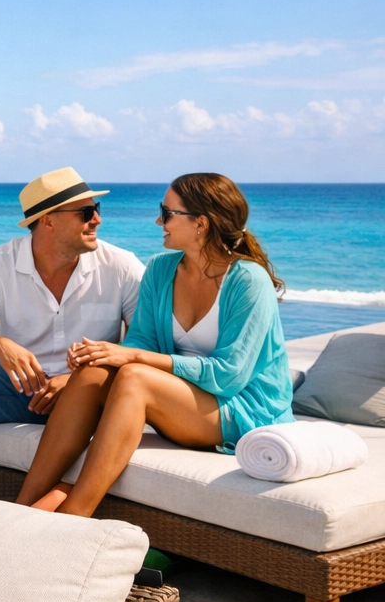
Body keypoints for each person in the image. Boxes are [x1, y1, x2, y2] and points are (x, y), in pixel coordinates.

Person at [16, 173, 294, 516]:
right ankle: (22, 508)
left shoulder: (249, 282)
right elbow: (142, 341)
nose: (158, 221)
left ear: (201, 224)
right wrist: (101, 354)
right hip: (182, 399)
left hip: (241, 410)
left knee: (135, 376)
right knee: (93, 372)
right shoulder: (161, 269)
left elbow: (229, 376)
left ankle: (75, 516)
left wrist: (130, 355)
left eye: (167, 212)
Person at [0, 167, 144, 491]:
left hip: (92, 395)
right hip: (20, 389)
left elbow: (143, 346)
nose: (97, 220)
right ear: (48, 220)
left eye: (97, 210)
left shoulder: (123, 267)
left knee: (97, 380)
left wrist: (78, 380)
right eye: (86, 212)